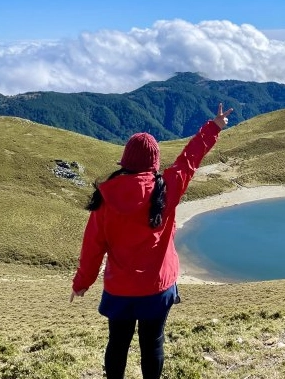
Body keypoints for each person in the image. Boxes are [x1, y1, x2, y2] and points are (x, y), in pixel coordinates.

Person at [70, 103, 233, 379]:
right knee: (153, 344)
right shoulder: (166, 188)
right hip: (158, 288)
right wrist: (213, 127)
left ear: (125, 160)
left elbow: (92, 248)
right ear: (154, 163)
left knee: (117, 344)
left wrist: (82, 283)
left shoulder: (106, 198)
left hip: (120, 289)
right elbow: (189, 160)